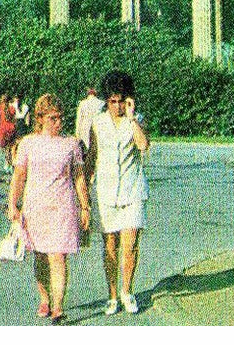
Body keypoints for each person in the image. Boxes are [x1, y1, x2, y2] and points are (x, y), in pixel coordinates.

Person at [7, 94, 90, 323]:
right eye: (53, 118)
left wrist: (85, 206)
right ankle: (45, 298)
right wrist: (12, 204)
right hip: (36, 207)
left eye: (60, 118)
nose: (58, 122)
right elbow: (19, 176)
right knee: (41, 256)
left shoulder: (71, 144)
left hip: (63, 207)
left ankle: (58, 307)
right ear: (40, 118)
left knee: (58, 256)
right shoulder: (28, 143)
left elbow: (79, 177)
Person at [85, 71, 150, 316]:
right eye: (112, 101)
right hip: (106, 191)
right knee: (110, 245)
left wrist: (132, 119)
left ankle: (127, 291)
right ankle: (112, 295)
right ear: (106, 101)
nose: (117, 106)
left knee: (130, 244)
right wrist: (83, 192)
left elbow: (143, 145)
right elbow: (92, 156)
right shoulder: (98, 123)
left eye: (121, 100)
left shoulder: (136, 120)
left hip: (132, 189)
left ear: (129, 100)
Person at [0, 92, 19, 166]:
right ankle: (11, 161)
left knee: (5, 147)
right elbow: (15, 120)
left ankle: (7, 162)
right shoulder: (12, 108)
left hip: (3, 129)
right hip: (11, 128)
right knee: (12, 146)